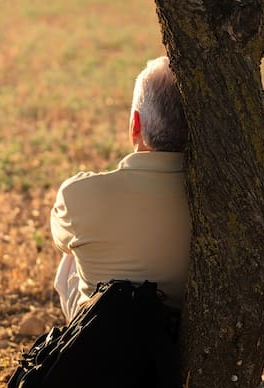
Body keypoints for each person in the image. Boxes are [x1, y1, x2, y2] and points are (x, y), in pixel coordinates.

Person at [51, 56, 191, 323]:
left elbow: (59, 239)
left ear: (135, 124)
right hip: (178, 340)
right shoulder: (215, 201)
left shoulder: (78, 195)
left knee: (72, 254)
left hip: (101, 341)